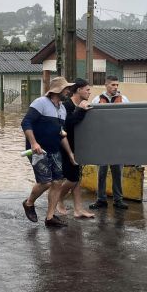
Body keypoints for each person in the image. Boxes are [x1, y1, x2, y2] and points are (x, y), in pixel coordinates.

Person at [21, 76, 75, 228]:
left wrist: (70, 153)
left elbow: (60, 133)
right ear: (58, 90)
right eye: (66, 89)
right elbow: (25, 122)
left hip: (55, 149)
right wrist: (33, 143)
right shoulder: (41, 103)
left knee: (57, 182)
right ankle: (29, 203)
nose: (68, 91)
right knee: (45, 182)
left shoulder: (62, 109)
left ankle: (50, 217)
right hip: (38, 150)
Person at [89, 75, 129, 210]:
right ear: (106, 85)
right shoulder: (96, 100)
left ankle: (118, 200)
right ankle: (101, 199)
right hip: (102, 142)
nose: (115, 87)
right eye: (113, 85)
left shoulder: (124, 100)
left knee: (117, 172)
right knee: (101, 172)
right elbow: (92, 121)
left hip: (118, 142)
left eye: (117, 85)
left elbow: (130, 119)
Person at [59, 78, 95, 219]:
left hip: (78, 146)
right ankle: (57, 199)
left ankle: (78, 209)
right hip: (65, 146)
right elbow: (68, 125)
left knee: (77, 179)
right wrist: (80, 110)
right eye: (87, 89)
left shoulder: (82, 105)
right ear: (79, 90)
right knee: (72, 179)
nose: (89, 92)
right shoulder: (66, 105)